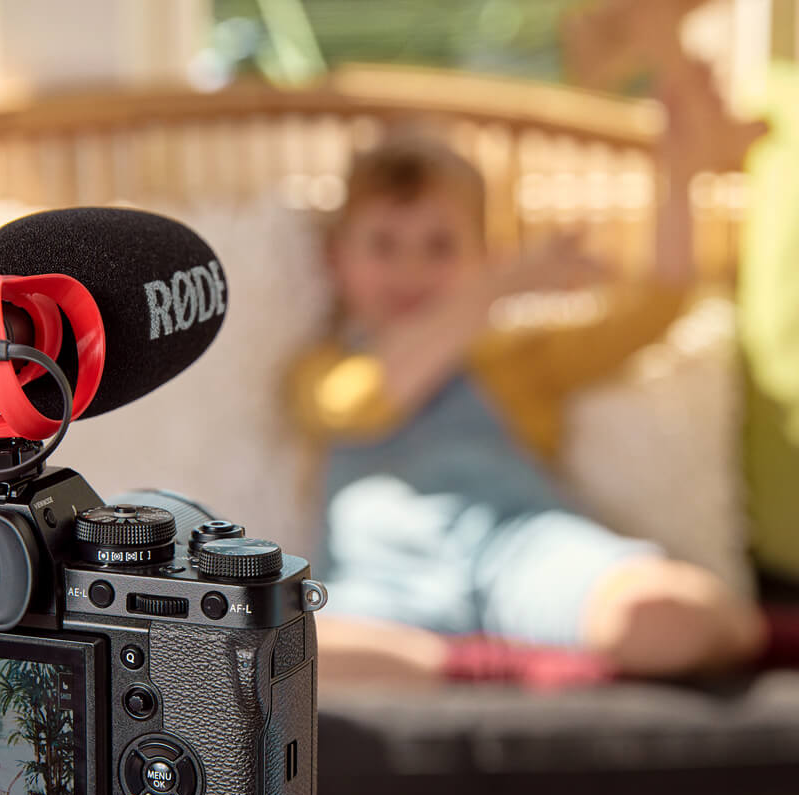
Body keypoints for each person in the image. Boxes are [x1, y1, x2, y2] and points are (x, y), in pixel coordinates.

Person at [291, 127, 767, 685]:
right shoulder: (322, 371)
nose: (411, 268)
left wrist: (681, 172)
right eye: (383, 244)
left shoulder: (518, 357)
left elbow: (657, 304)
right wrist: (498, 288)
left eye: (440, 245)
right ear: (336, 259)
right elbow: (373, 397)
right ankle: (490, 666)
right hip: (381, 591)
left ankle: (750, 632)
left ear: (484, 256)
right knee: (267, 652)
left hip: (524, 554)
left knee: (661, 616)